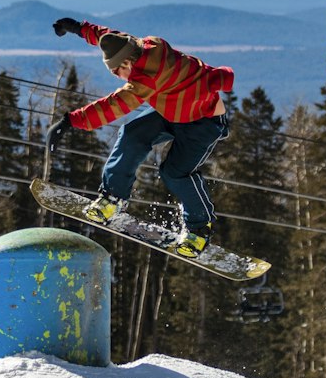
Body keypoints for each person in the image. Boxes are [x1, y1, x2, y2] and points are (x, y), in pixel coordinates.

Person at [47, 17, 234, 258]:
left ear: (127, 62)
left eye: (117, 71)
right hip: (170, 109)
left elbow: (113, 106)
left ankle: (199, 229)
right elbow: (108, 36)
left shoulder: (148, 77)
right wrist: (75, 28)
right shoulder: (142, 45)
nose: (118, 76)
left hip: (202, 122)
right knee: (132, 135)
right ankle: (113, 197)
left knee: (175, 172)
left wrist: (70, 121)